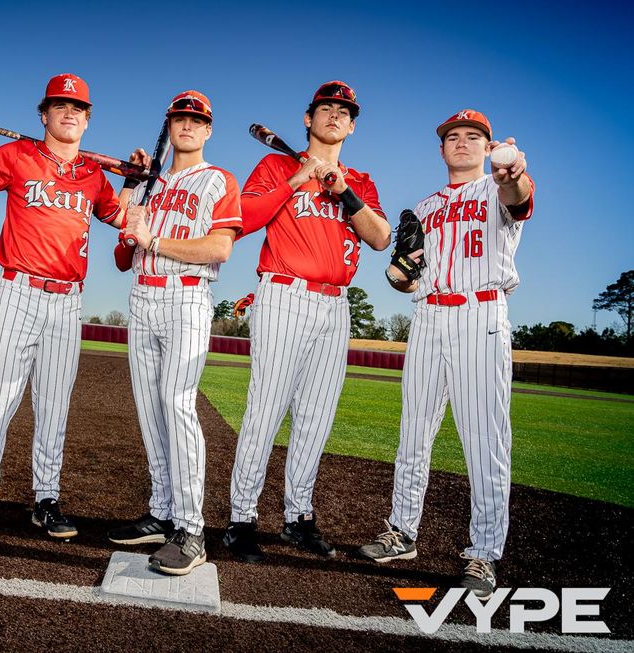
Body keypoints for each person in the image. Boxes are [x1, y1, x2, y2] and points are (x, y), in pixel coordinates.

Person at [0, 74, 144, 547]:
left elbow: (121, 219)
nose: (69, 113)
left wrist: (134, 180)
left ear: (87, 118)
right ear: (44, 115)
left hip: (68, 301)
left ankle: (46, 499)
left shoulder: (95, 176)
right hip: (19, 291)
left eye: (77, 107)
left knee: (54, 406)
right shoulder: (17, 156)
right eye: (59, 106)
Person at [358, 109, 533, 599]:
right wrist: (402, 268)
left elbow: (519, 199)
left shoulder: (497, 188)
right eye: (452, 137)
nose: (461, 143)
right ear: (440, 150)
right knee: (414, 432)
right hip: (427, 316)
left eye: (473, 136)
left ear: (488, 146)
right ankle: (401, 532)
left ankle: (483, 553)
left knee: (484, 440)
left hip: (480, 314)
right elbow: (401, 279)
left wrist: (512, 175)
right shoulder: (422, 207)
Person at [223, 81, 390, 563]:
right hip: (284, 293)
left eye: (344, 112)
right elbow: (246, 219)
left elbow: (379, 239)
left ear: (352, 125)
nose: (335, 116)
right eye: (326, 109)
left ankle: (299, 517)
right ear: (308, 118)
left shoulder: (360, 179)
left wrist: (345, 192)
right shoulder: (276, 164)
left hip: (336, 304)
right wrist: (294, 182)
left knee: (316, 417)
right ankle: (241, 519)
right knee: (266, 408)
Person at [107, 91, 242, 575]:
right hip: (141, 298)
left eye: (195, 120)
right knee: (150, 410)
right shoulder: (151, 184)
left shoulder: (218, 179)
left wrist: (155, 240)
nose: (186, 125)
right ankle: (162, 511)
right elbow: (123, 257)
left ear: (207, 130)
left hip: (186, 297)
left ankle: (191, 529)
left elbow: (220, 247)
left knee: (176, 403)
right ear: (169, 125)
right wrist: (131, 193)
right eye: (179, 118)